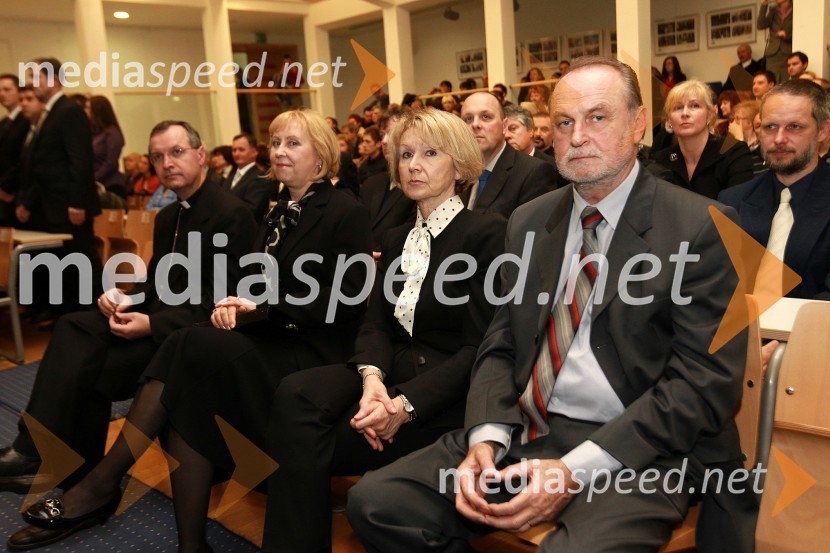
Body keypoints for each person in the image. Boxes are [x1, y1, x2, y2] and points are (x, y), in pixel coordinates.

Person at [347, 55, 753, 553]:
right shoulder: (529, 221)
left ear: (639, 123)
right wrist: (486, 438)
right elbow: (499, 344)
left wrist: (574, 470)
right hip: (527, 430)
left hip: (639, 450)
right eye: (564, 122)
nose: (577, 136)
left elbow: (702, 385)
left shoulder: (704, 225)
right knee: (376, 501)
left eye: (597, 117)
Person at [9, 109, 373, 551]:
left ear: (322, 153)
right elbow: (248, 281)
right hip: (269, 336)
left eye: (293, 143)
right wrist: (233, 305)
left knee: (187, 348)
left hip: (312, 348)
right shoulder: (277, 210)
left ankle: (102, 481)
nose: (279, 151)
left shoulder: (344, 209)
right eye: (275, 143)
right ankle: (189, 543)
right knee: (187, 391)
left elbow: (348, 298)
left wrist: (261, 307)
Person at [262, 107, 506, 553]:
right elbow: (375, 321)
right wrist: (371, 380)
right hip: (389, 371)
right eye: (406, 153)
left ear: (460, 164)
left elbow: (480, 349)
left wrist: (404, 406)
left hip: (443, 392)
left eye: (431, 153)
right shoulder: (395, 237)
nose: (413, 165)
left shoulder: (486, 233)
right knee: (295, 394)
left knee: (311, 443)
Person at [0, 120, 257, 499]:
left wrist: (151, 323)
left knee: (93, 369)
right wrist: (126, 298)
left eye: (177, 152)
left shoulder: (231, 213)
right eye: (157, 157)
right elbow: (155, 283)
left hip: (189, 339)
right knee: (74, 325)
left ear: (201, 156)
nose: (166, 163)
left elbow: (223, 300)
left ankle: (61, 468)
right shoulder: (169, 215)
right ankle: (42, 454)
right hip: (158, 322)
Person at [719, 79, 830, 300]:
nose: (779, 139)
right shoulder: (733, 201)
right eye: (770, 127)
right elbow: (715, 285)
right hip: (742, 331)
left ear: (822, 131)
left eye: (794, 127)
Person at [15, 57, 102, 316]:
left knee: (83, 262)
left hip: (70, 205)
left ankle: (97, 313)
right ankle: (73, 316)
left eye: (35, 78)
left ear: (52, 80)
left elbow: (80, 160)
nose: (31, 84)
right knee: (68, 265)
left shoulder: (69, 110)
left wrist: (77, 201)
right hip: (55, 204)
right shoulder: (52, 113)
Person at [459, 91, 557, 218]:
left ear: (504, 126)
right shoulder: (460, 172)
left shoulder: (534, 173)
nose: (475, 124)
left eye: (485, 117)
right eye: (468, 118)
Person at [651, 80, 754, 199]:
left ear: (710, 115)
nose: (685, 113)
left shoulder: (734, 153)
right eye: (678, 107)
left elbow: (739, 207)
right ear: (669, 119)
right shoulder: (661, 162)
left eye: (695, 106)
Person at [359, 107, 415, 255]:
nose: (384, 141)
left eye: (391, 133)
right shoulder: (371, 184)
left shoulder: (420, 186)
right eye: (382, 134)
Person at [222, 133, 272, 221]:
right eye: (234, 150)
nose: (236, 154)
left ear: (254, 152)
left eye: (241, 150)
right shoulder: (230, 177)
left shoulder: (260, 177)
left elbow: (250, 210)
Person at [0, 73, 28, 226]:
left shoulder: (25, 120)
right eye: (0, 90)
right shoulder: (5, 121)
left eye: (7, 89)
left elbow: (22, 158)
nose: (2, 94)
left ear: (19, 92)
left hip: (16, 191)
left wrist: (6, 187)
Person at [86, 95, 127, 198]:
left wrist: (92, 179)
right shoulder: (93, 132)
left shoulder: (112, 133)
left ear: (97, 111)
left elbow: (110, 163)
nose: (84, 110)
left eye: (87, 107)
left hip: (110, 186)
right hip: (95, 185)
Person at [757, 0, 793, 84]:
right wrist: (764, 5)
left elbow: (802, 31)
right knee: (772, 82)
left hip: (788, 52)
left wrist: (787, 35)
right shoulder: (773, 10)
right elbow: (761, 25)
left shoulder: (797, 9)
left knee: (786, 82)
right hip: (773, 54)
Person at [732, 100, 766, 174]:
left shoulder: (761, 147)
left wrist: (740, 139)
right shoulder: (732, 144)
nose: (733, 123)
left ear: (750, 122)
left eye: (737, 118)